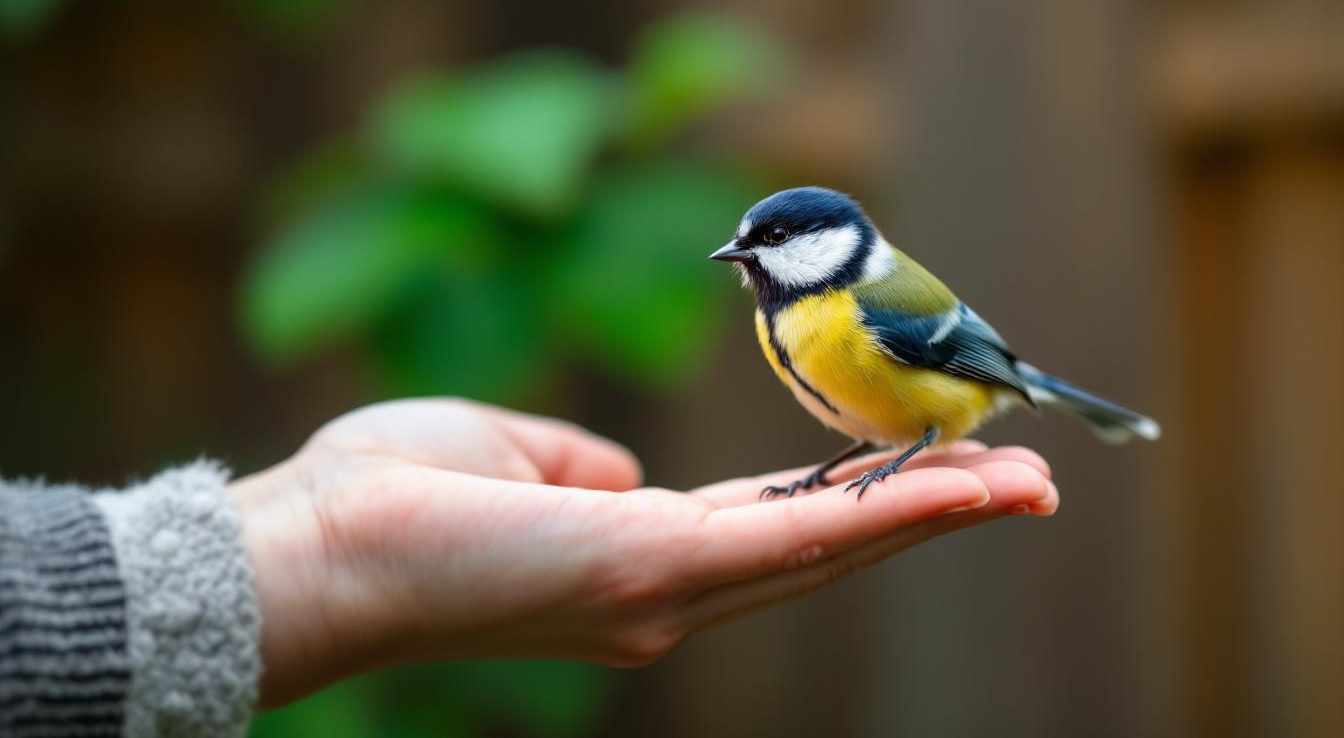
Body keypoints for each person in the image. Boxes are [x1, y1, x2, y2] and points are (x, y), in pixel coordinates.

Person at [0, 398, 1058, 737]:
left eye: (770, 242)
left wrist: (322, 543)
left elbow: (946, 377)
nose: (744, 259)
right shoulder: (798, 312)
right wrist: (322, 543)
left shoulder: (875, 301)